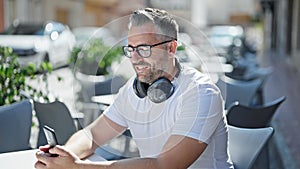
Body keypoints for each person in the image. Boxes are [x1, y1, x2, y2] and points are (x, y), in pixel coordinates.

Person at [35, 8, 234, 169]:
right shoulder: (133, 90)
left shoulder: (202, 94)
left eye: (143, 49)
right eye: (130, 49)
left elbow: (164, 165)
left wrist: (78, 168)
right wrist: (63, 157)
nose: (135, 58)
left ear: (171, 48)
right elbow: (91, 135)